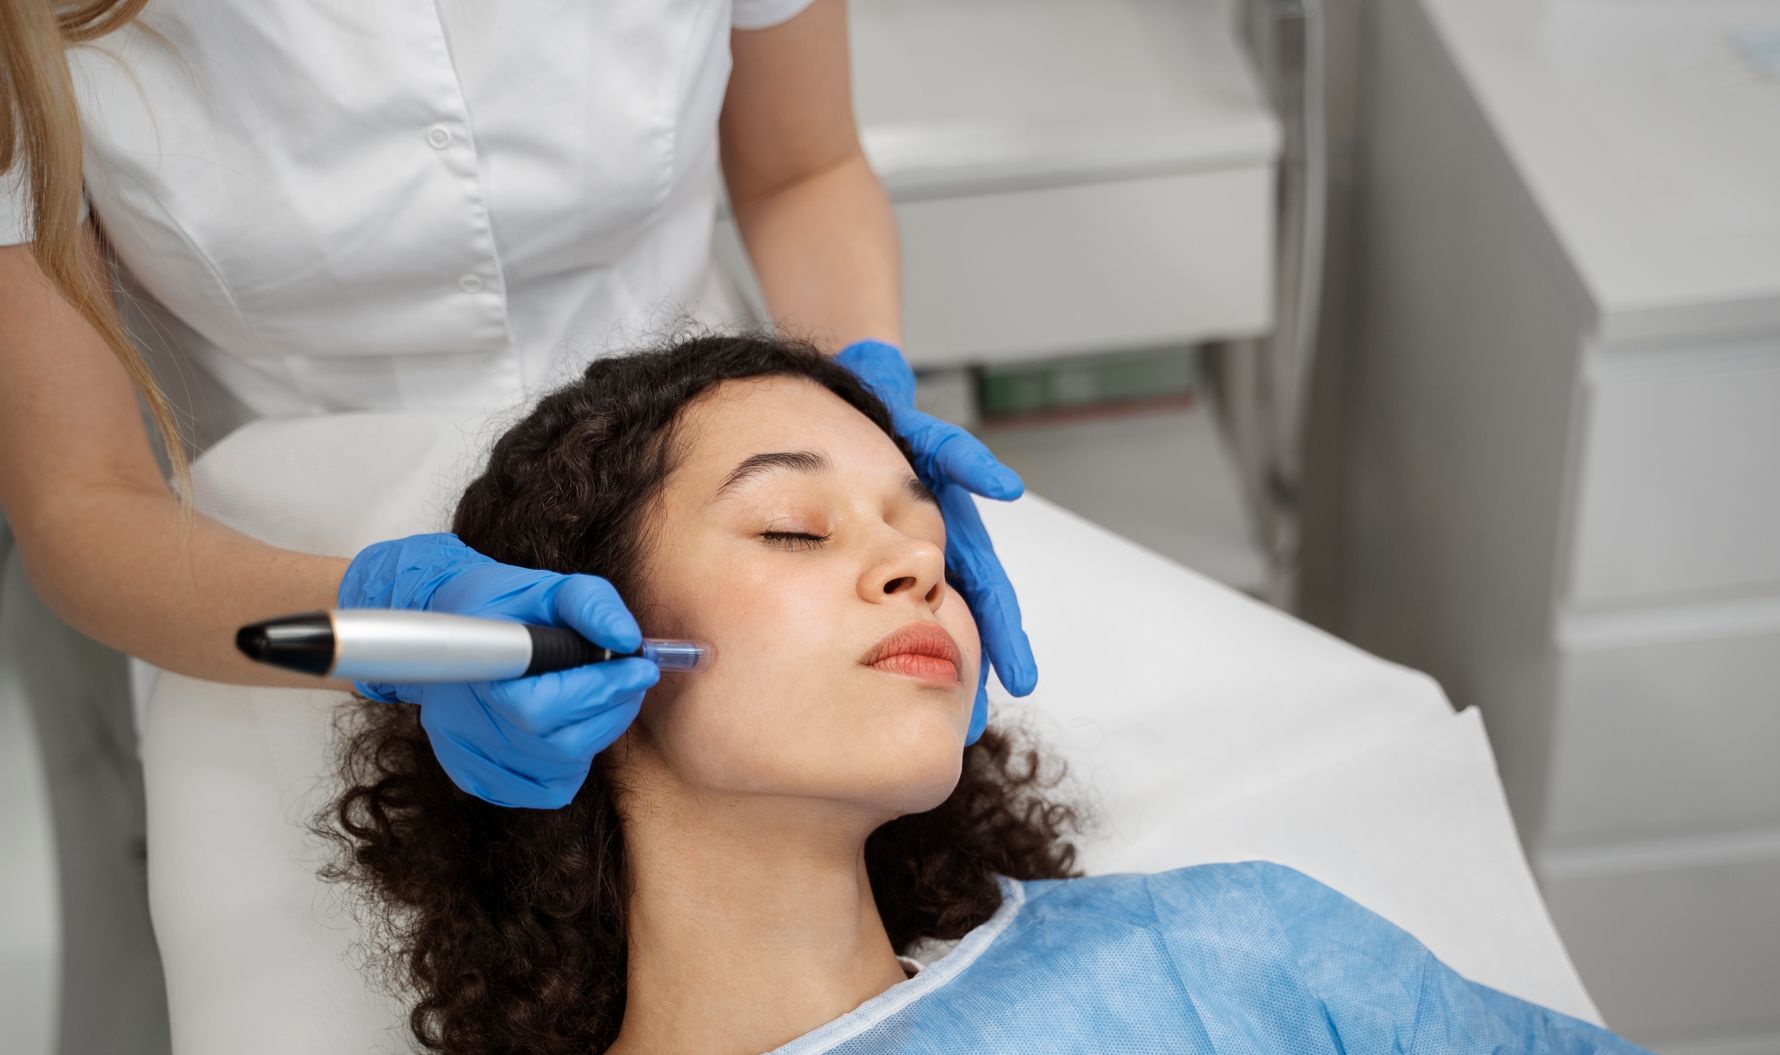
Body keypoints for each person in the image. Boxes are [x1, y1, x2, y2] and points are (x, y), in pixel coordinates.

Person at [239, 334, 1780, 1055]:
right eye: (793, 530)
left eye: (918, 524)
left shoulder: (1232, 970)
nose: (916, 556)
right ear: (564, 657)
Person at [0, 0, 1037, 816]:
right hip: (282, 581)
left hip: (707, 414)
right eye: (789, 530)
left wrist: (860, 419)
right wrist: (382, 618)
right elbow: (77, 503)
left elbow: (805, 167)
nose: (913, 557)